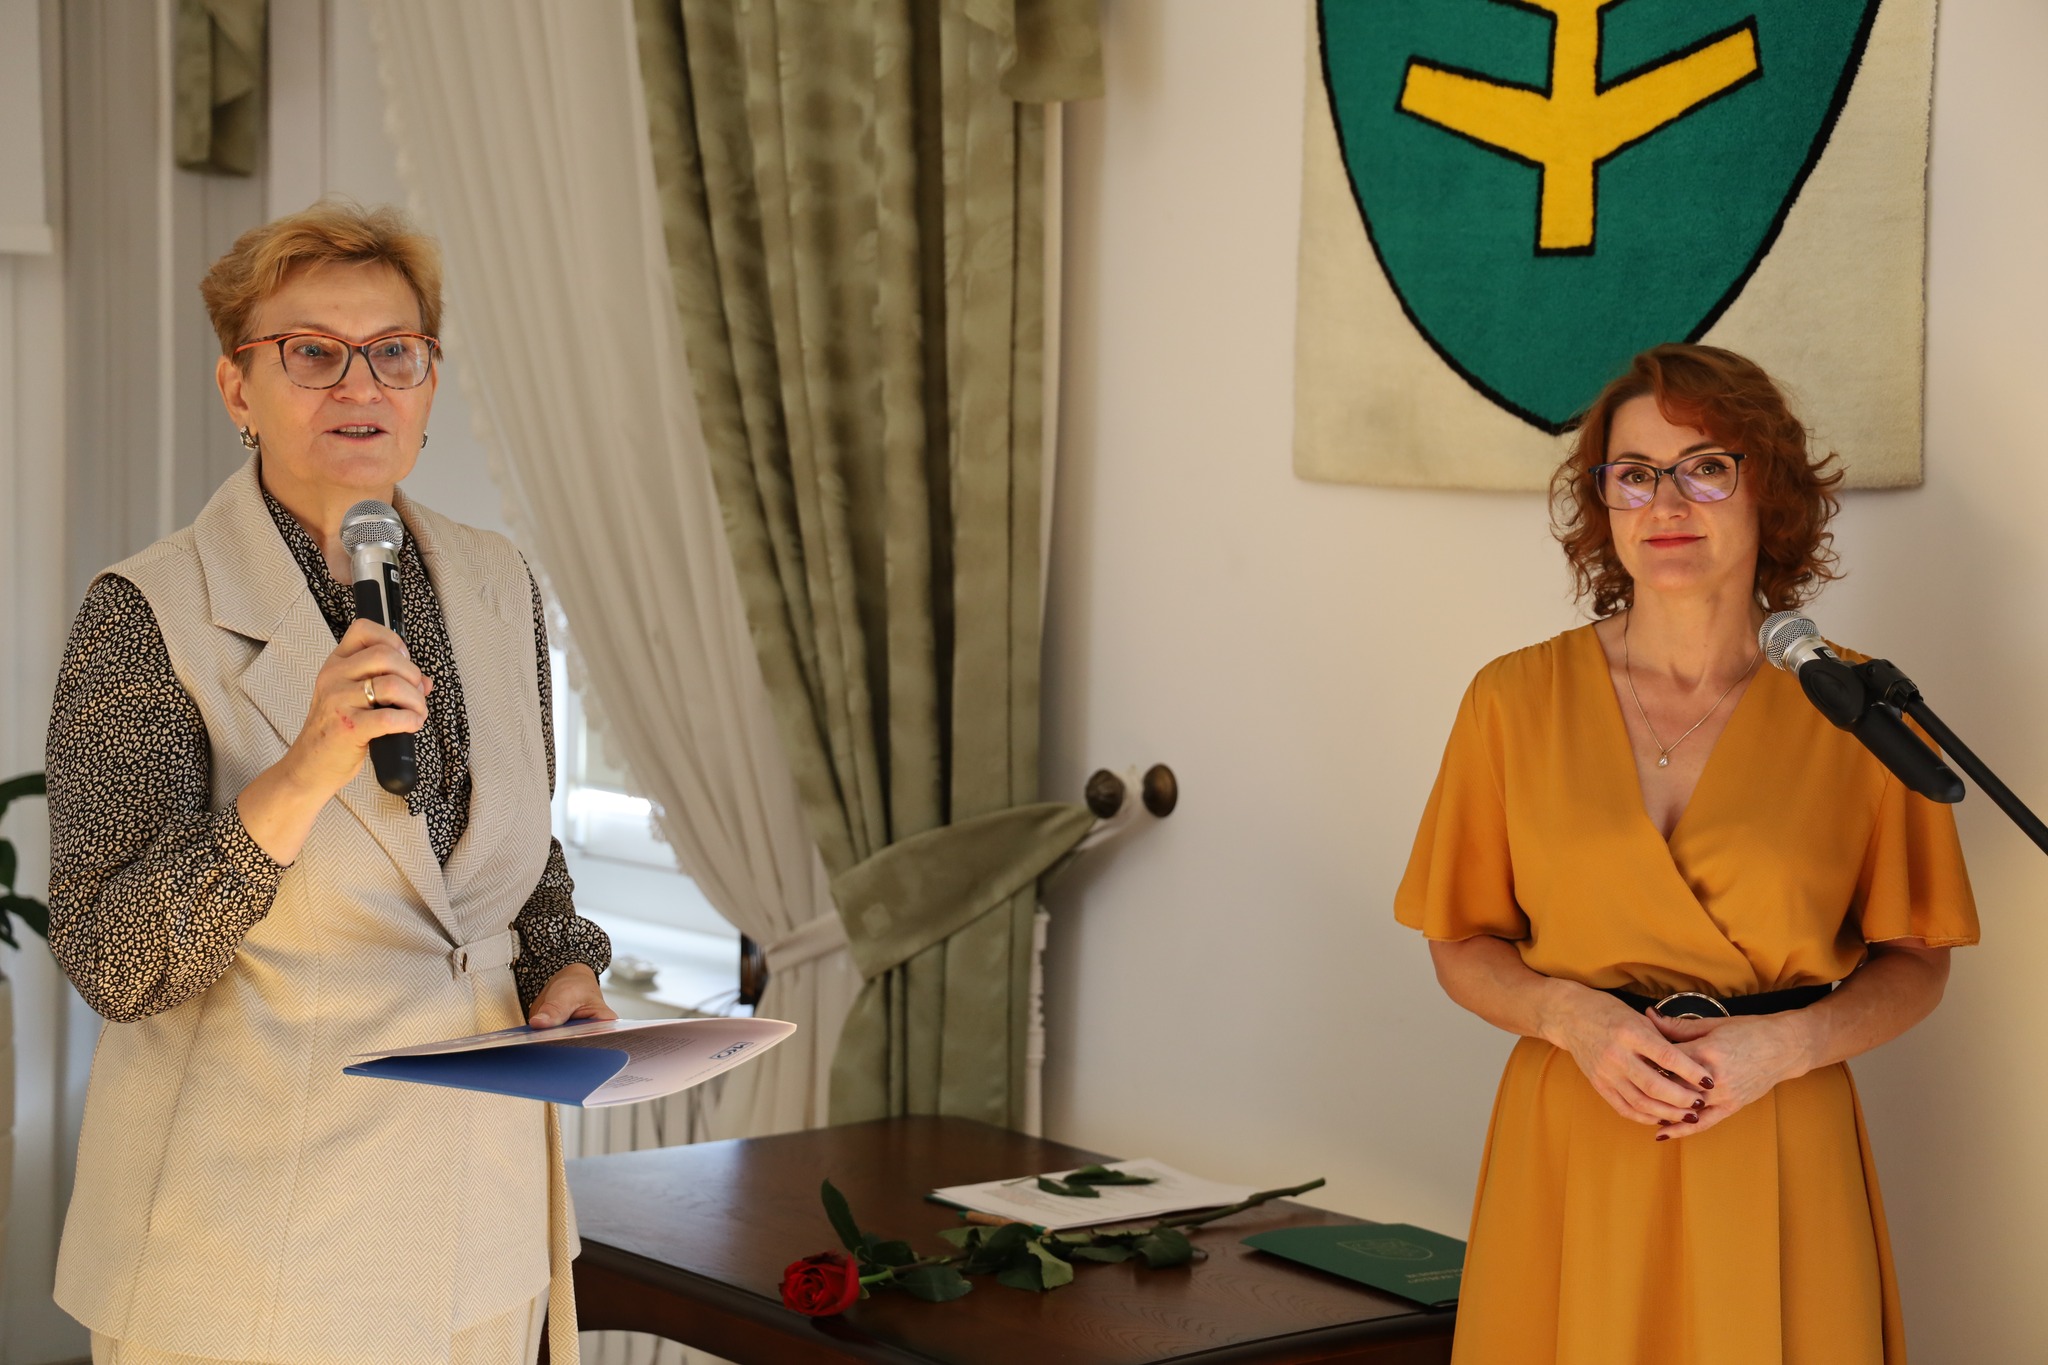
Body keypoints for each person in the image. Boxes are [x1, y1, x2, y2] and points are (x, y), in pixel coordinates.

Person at [45, 202, 614, 1365]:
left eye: (394, 351)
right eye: (312, 352)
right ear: (237, 388)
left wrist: (562, 964)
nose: (360, 384)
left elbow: (513, 848)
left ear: (428, 382)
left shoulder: (498, 581)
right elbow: (114, 960)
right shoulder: (146, 612)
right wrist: (304, 771)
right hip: (255, 1243)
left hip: (486, 1219)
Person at [1395, 343, 1976, 1364]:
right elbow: (1461, 941)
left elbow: (1916, 960)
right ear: (1603, 501)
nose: (1665, 502)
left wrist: (1786, 1047)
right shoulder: (1509, 700)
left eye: (1705, 466)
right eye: (1633, 473)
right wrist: (1570, 1019)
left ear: (1769, 493)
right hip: (1573, 1131)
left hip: (1777, 1131)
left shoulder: (1856, 708)